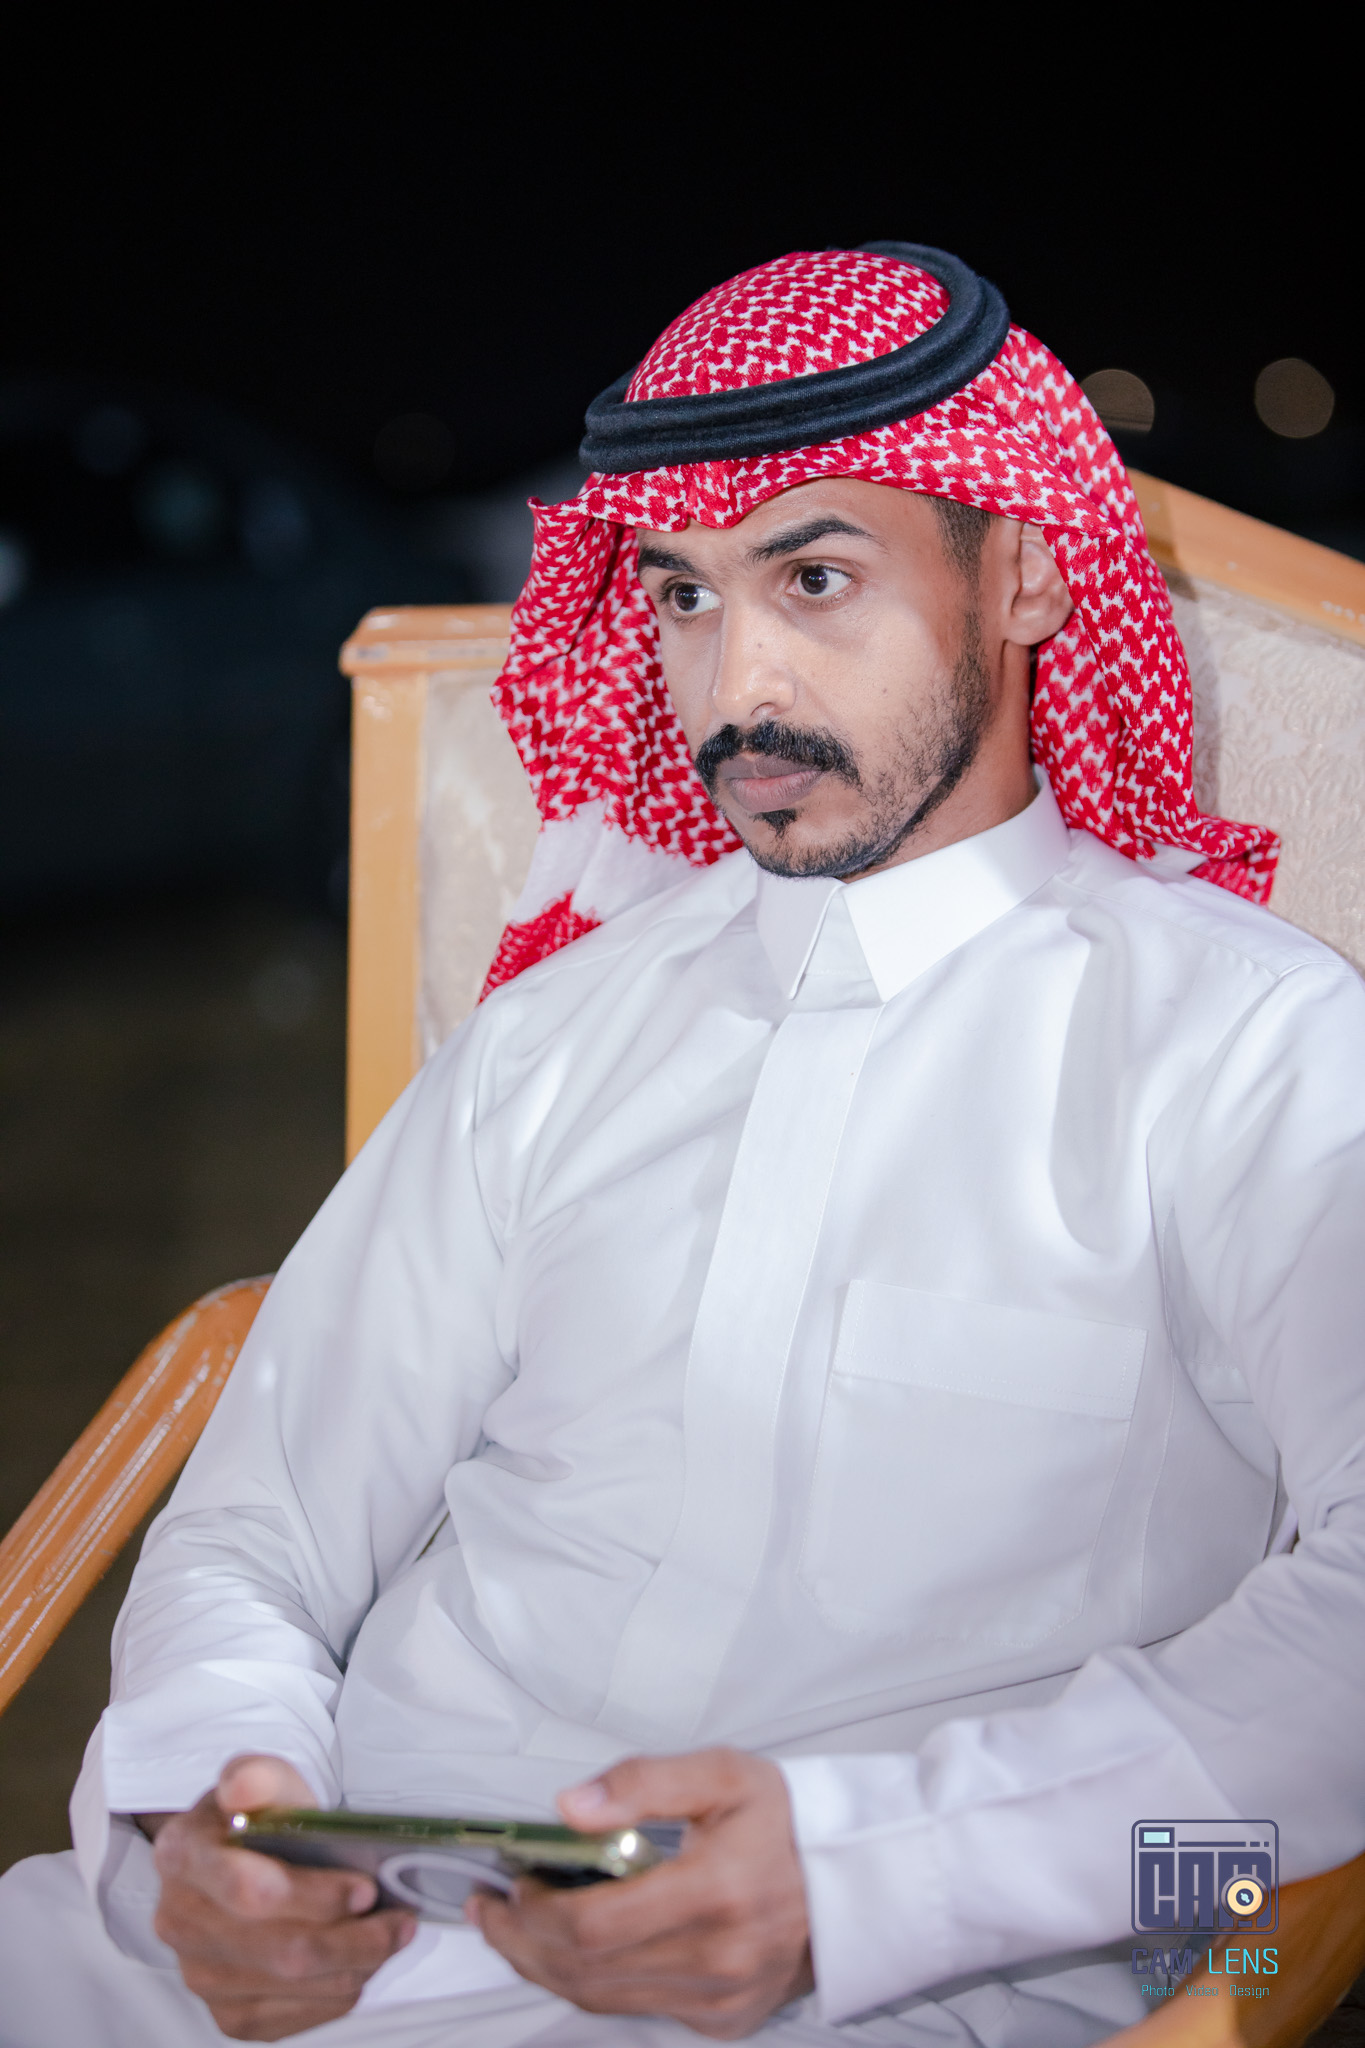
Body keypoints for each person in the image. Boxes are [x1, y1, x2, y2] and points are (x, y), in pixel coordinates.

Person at [1, 242, 1362, 2048]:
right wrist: (210, 1815)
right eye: (683, 596)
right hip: (327, 1934)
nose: (735, 683)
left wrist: (873, 1879)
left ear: (1025, 572)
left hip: (886, 1985)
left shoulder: (1251, 1051)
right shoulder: (554, 1037)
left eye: (814, 577)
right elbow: (263, 1527)